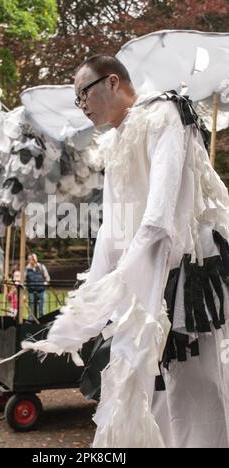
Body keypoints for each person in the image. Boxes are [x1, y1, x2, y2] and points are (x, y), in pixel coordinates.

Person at [23, 55, 229, 448]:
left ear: (112, 82)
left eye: (83, 93)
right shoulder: (118, 141)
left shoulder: (165, 113)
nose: (80, 105)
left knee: (197, 388)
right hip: (154, 276)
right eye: (76, 99)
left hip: (191, 274)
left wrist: (118, 288)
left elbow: (158, 218)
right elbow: (113, 232)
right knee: (151, 390)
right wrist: (82, 310)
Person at [25, 254, 50, 319]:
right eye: (31, 259)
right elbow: (24, 279)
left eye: (34, 259)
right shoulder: (27, 268)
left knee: (42, 310)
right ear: (29, 260)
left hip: (41, 290)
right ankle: (31, 324)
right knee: (31, 312)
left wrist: (45, 283)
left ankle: (41, 323)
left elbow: (47, 277)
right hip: (31, 291)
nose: (33, 260)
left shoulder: (41, 267)